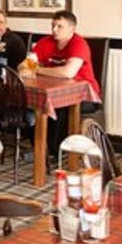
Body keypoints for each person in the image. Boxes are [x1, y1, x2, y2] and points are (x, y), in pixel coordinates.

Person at [18, 10, 101, 155]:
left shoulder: (79, 44)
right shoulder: (45, 42)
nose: (54, 30)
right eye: (53, 25)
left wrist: (37, 69)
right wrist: (26, 68)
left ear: (72, 28)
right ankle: (41, 147)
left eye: (59, 26)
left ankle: (56, 151)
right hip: (52, 90)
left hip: (84, 94)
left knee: (60, 106)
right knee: (32, 103)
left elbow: (68, 72)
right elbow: (24, 65)